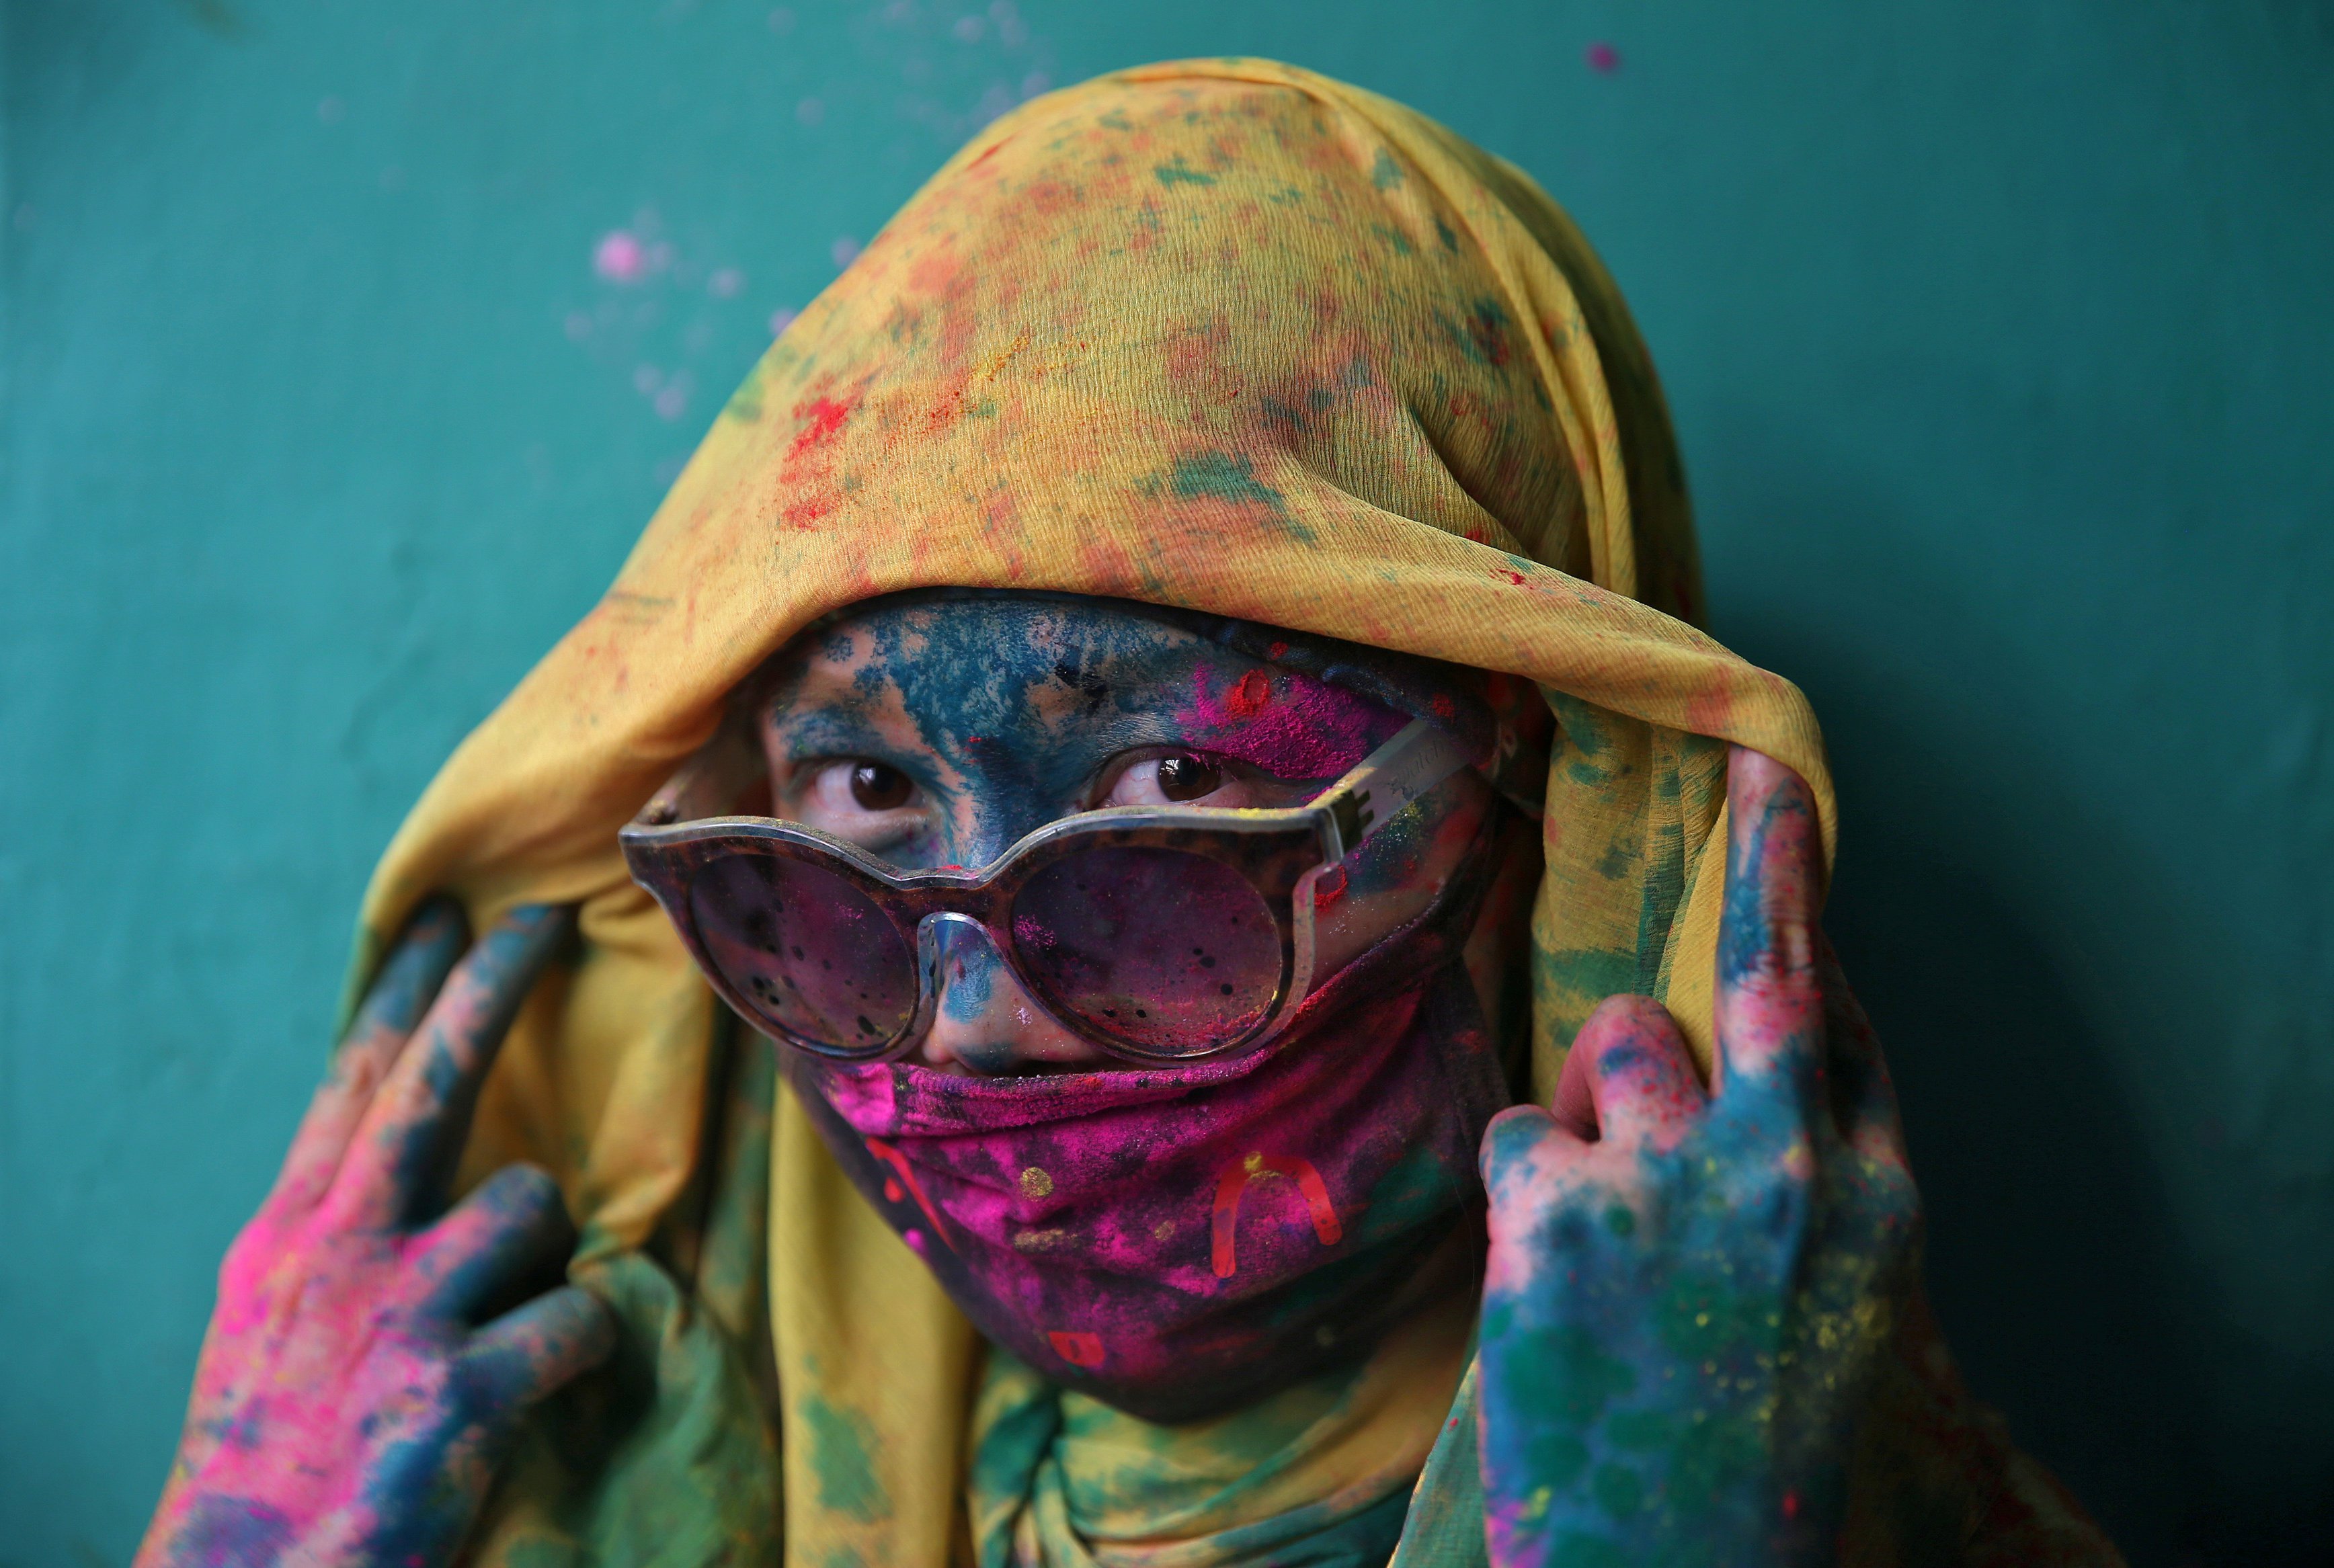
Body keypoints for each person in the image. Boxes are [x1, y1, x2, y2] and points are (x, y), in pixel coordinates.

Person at [136, 59, 2122, 1568]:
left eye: (1180, 795)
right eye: (856, 803)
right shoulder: (511, 1467)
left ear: (1562, 803)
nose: (978, 1019)